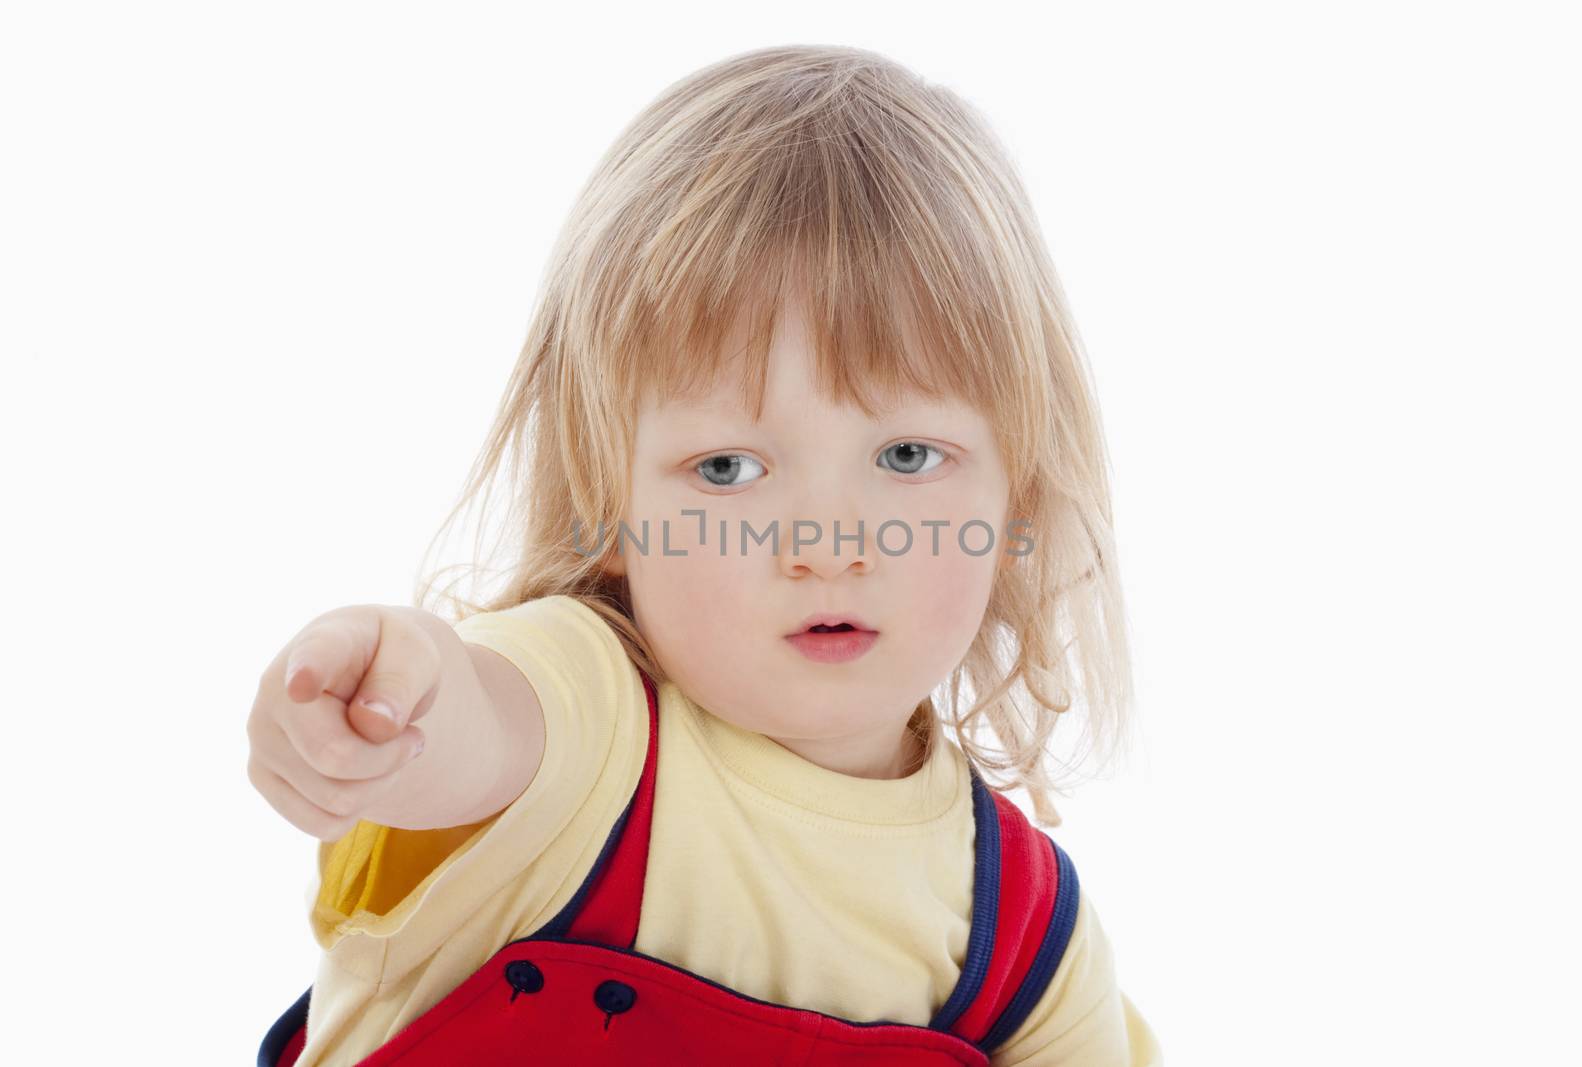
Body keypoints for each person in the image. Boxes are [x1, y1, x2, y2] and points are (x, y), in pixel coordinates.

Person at [247, 43, 1161, 1066]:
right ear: (610, 493)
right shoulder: (589, 719)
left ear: (1015, 491)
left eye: (906, 454)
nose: (827, 546)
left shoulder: (1030, 938)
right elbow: (474, 721)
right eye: (727, 467)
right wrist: (394, 694)